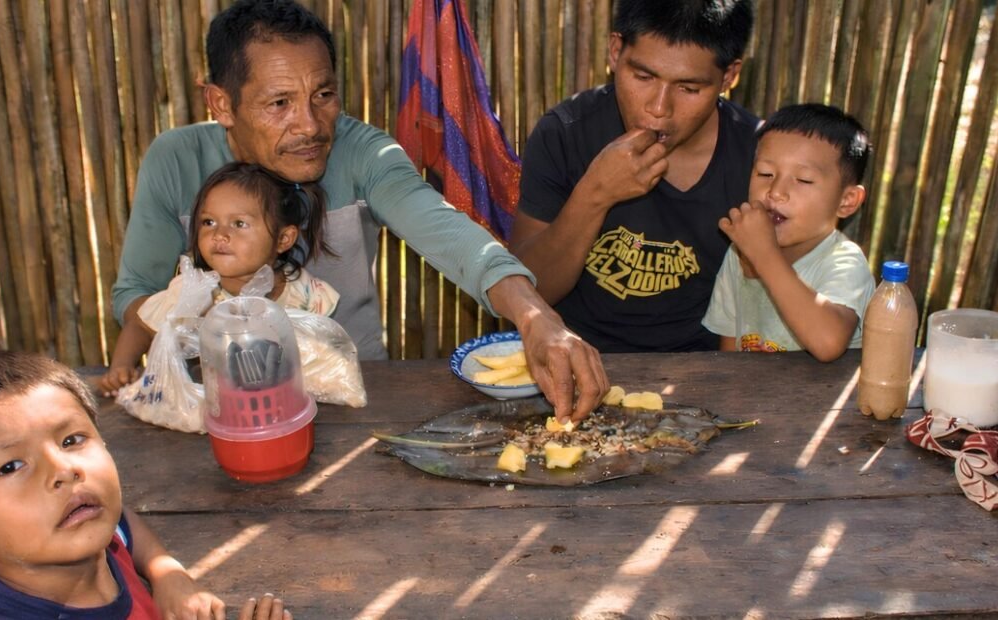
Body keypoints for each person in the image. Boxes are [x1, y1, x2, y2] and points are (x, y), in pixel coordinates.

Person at [111, 0, 605, 421]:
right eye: (279, 103)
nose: (310, 125)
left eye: (323, 95)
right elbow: (135, 295)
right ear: (221, 103)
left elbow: (448, 232)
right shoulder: (175, 160)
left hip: (353, 395)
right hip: (216, 406)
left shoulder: (366, 153)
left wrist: (534, 313)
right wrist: (223, 333)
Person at [0, 350, 291, 620]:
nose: (64, 470)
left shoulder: (85, 531)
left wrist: (168, 573)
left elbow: (124, 524)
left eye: (71, 440)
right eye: (11, 465)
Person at [510, 0, 758, 353]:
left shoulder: (760, 158)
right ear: (615, 52)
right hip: (575, 357)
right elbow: (530, 292)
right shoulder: (565, 134)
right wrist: (595, 194)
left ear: (729, 77)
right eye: (643, 77)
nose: (658, 108)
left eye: (688, 89)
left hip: (702, 369)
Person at [102, 162, 339, 396]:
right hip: (211, 414)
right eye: (209, 222)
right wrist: (121, 367)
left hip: (285, 412)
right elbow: (141, 326)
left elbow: (324, 353)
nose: (220, 235)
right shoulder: (194, 292)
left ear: (283, 239)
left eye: (239, 224)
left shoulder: (305, 293)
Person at [701, 103, 876, 361]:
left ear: (847, 201)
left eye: (803, 179)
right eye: (765, 173)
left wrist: (765, 257)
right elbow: (730, 350)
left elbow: (828, 343)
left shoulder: (844, 262)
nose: (776, 192)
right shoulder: (740, 253)